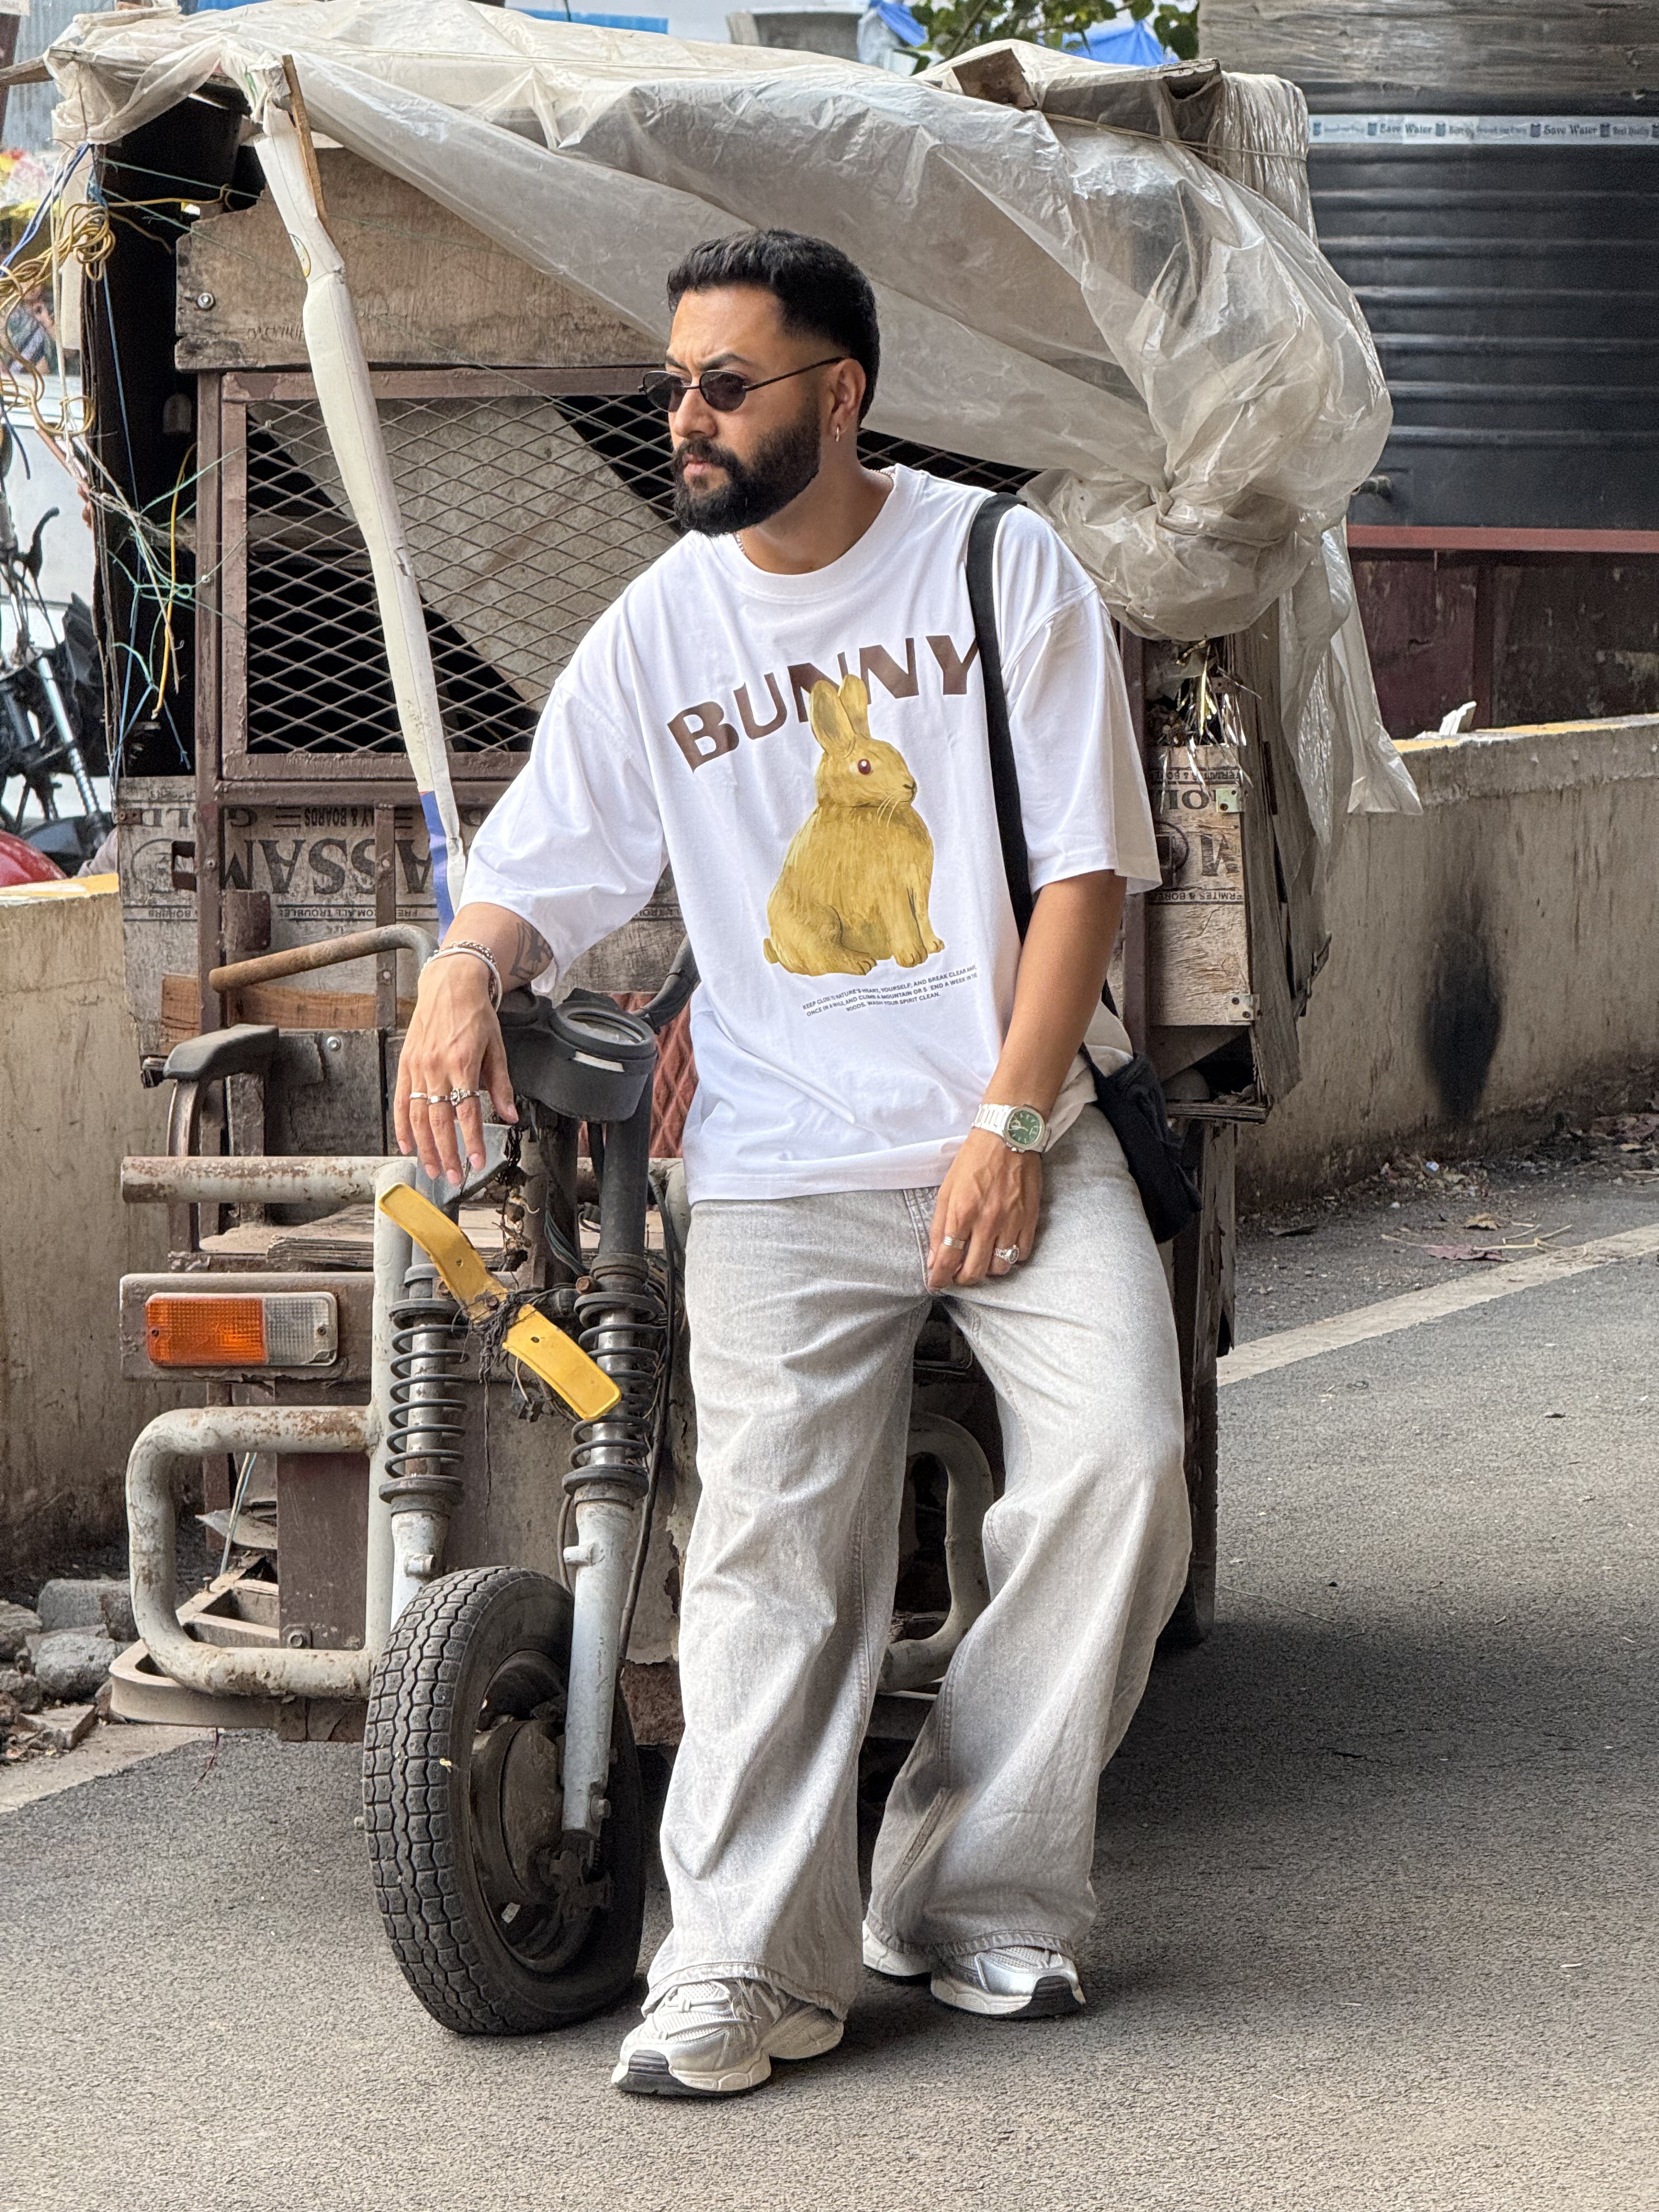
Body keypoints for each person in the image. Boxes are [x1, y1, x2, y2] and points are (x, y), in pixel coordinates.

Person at [394, 230, 1190, 2098]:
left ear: (841, 398)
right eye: (674, 382)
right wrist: (462, 969)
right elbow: (545, 856)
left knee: (1125, 1467)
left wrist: (1008, 1124)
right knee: (771, 1558)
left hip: (1020, 1121)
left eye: (727, 384)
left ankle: (970, 1886)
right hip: (775, 1161)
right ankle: (746, 1964)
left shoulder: (999, 567)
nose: (686, 416)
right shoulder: (660, 627)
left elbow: (1087, 873)